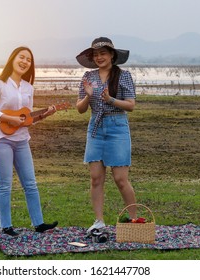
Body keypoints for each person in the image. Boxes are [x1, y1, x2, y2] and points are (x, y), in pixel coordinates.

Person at [0, 46, 58, 236]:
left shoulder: (28, 87)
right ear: (13, 59)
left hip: (21, 140)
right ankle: (6, 226)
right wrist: (8, 119)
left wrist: (43, 116)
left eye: (29, 60)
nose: (25, 62)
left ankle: (39, 223)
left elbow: (26, 119)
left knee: (30, 183)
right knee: (5, 184)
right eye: (21, 57)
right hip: (0, 140)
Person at [75, 37, 138, 233]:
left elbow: (131, 105)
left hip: (117, 126)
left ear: (112, 55)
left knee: (120, 178)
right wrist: (87, 95)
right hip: (95, 126)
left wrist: (110, 99)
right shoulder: (88, 76)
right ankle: (99, 221)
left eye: (103, 53)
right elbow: (80, 109)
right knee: (95, 178)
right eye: (96, 54)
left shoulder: (123, 75)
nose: (99, 57)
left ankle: (134, 220)